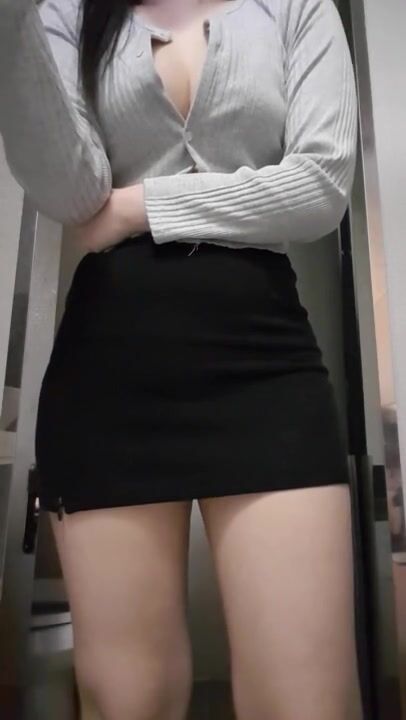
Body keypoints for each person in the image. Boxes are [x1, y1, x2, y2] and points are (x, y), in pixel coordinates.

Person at [0, 0, 361, 718]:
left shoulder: (297, 6)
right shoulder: (63, 14)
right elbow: (73, 193)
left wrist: (138, 208)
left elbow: (320, 185)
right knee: (128, 702)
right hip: (109, 371)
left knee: (305, 703)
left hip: (265, 363)